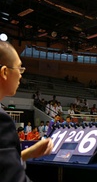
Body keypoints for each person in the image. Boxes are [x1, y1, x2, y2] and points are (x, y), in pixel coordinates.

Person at [0, 41, 53, 181]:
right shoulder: (2, 121)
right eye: (19, 68)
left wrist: (26, 154)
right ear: (4, 72)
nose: (21, 75)